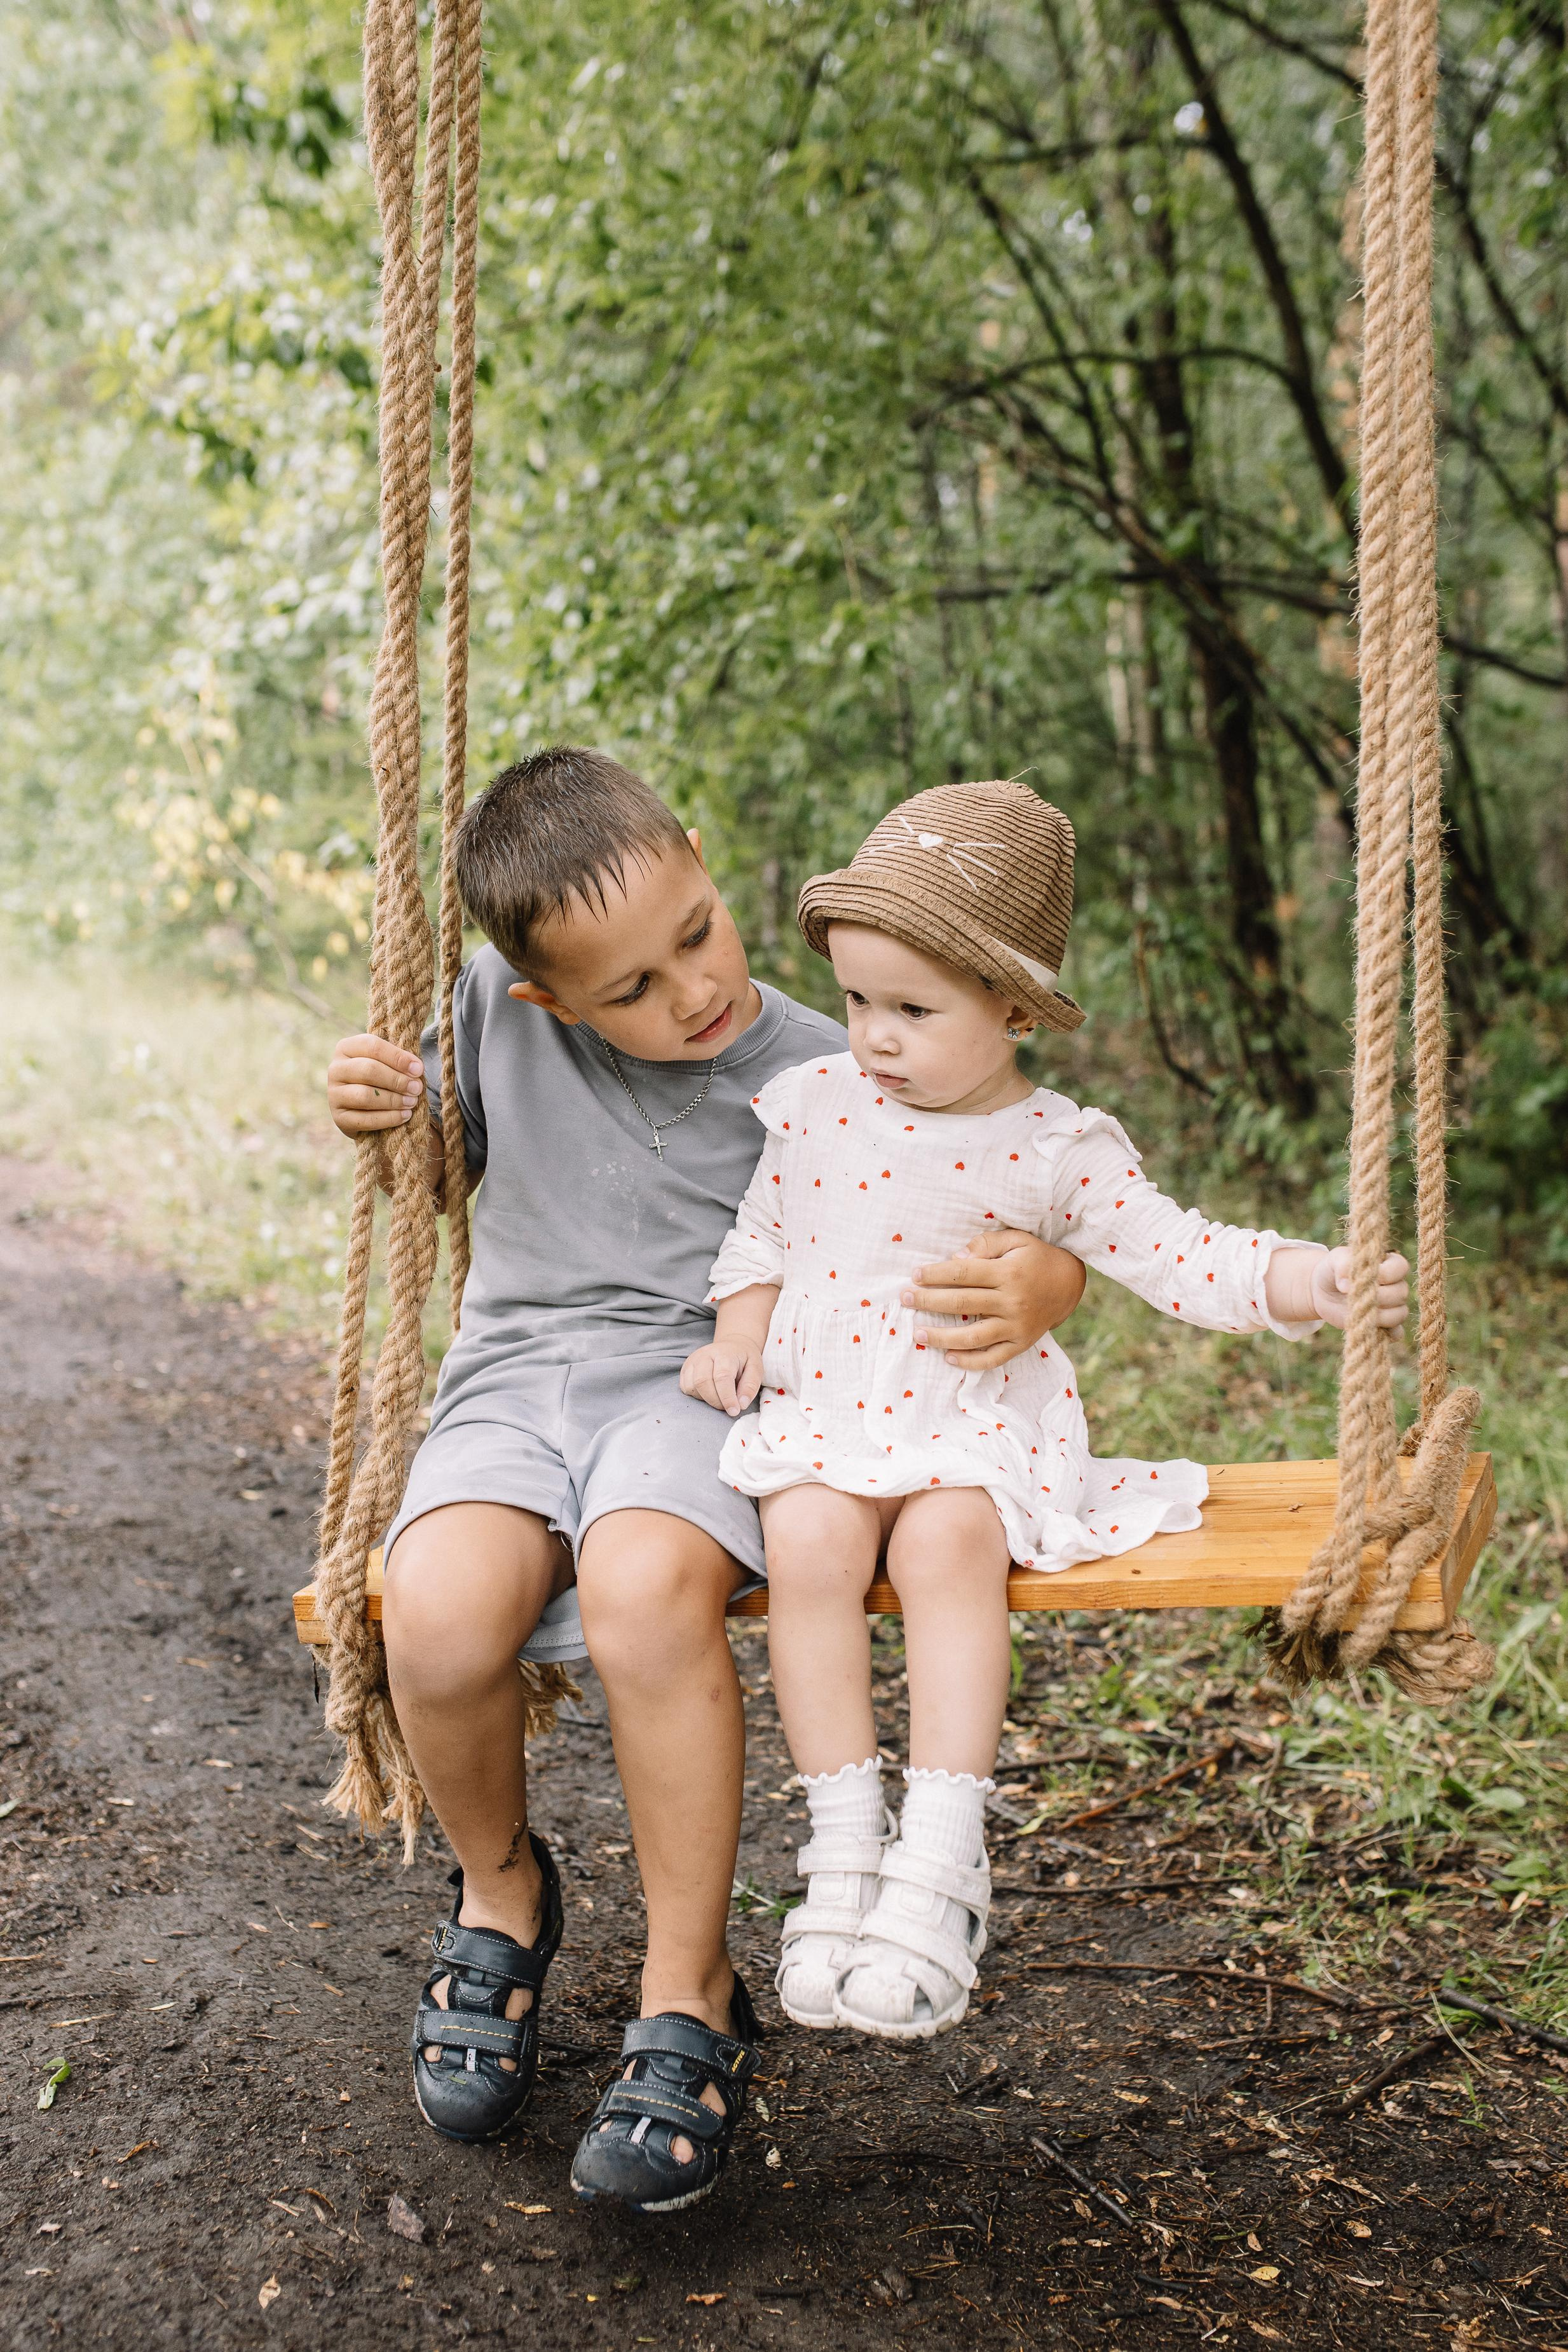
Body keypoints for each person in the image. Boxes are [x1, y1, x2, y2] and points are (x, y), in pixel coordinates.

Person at [324, 747, 1086, 2212]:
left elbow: (1016, 1179)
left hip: (702, 1386)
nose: (692, 991)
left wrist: (1043, 1278)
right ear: (547, 997)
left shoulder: (842, 1060)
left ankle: (688, 1986)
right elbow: (440, 1170)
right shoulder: (493, 1008)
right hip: (514, 1375)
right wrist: (387, 1112)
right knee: (432, 1608)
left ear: (698, 853)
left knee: (642, 1583)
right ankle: (502, 1894)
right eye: (631, 988)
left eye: (698, 927)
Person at [681, 779, 1411, 2044]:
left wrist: (1315, 1277)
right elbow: (765, 1234)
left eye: (912, 1008)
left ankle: (943, 1855)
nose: (873, 1036)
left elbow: (1185, 1257)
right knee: (804, 1542)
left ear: (1015, 1008)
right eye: (857, 1000)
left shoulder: (1056, 1147)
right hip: (832, 1416)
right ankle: (847, 1841)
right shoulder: (814, 1104)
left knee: (946, 1540)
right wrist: (739, 1330)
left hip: (969, 1424)